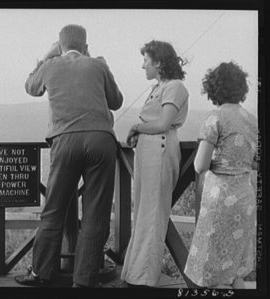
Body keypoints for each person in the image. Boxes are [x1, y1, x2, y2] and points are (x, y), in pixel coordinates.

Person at [14, 24, 123, 288]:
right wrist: (104, 66)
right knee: (96, 214)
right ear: (86, 45)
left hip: (65, 141)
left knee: (53, 210)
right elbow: (116, 101)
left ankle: (41, 273)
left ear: (59, 45)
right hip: (101, 140)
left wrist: (46, 56)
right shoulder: (97, 65)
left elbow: (31, 87)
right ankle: (84, 281)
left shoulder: (50, 65)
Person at [121, 40, 189, 287]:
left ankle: (144, 278)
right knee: (142, 213)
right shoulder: (159, 87)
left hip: (160, 151)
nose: (143, 66)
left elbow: (162, 124)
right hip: (148, 153)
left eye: (146, 61)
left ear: (159, 62)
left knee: (153, 215)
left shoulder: (175, 87)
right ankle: (135, 274)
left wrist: (136, 126)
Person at [184, 61, 257, 289]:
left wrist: (221, 161)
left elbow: (199, 165)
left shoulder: (215, 118)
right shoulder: (252, 120)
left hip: (221, 200)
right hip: (245, 196)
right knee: (235, 271)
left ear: (213, 88)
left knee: (212, 270)